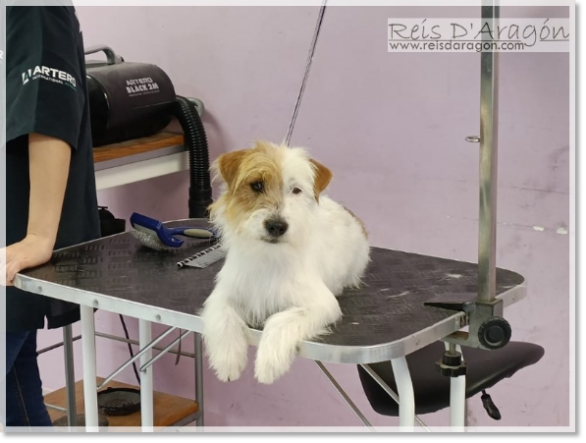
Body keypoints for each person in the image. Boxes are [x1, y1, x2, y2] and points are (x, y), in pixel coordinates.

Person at [1, 3, 101, 428]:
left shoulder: (34, 8)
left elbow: (50, 114)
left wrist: (40, 236)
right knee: (17, 403)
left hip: (12, 236)